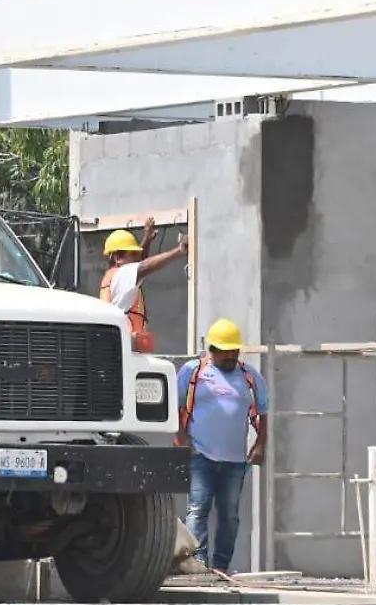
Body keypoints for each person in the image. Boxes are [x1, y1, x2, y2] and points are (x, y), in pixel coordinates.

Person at [177, 318, 269, 580]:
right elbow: (175, 404)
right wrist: (181, 436)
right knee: (198, 509)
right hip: (200, 456)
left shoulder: (250, 376)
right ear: (212, 349)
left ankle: (220, 566)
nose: (230, 356)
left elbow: (263, 412)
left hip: (235, 460)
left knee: (229, 515)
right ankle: (198, 563)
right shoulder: (193, 372)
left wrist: (261, 443)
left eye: (234, 351)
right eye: (225, 351)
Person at [99, 219, 188, 354]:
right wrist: (180, 250)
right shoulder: (122, 274)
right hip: (125, 347)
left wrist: (147, 239)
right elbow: (143, 267)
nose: (137, 256)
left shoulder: (115, 276)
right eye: (132, 253)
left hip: (124, 344)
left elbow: (139, 264)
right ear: (117, 257)